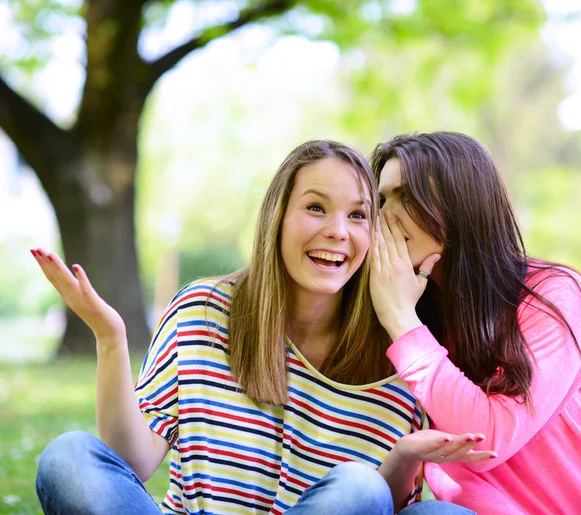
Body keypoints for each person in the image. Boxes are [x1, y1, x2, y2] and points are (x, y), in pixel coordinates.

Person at [32, 139, 493, 515]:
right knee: (70, 458)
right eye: (316, 208)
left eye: (357, 215)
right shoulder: (204, 310)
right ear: (278, 217)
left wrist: (404, 456)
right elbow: (133, 463)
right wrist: (110, 339)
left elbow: (372, 507)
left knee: (396, 499)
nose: (338, 230)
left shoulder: (401, 354)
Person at [369, 131, 581, 515]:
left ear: (462, 202)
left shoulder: (557, 295)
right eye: (382, 198)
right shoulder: (413, 319)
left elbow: (488, 438)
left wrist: (400, 320)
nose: (385, 215)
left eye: (405, 195)